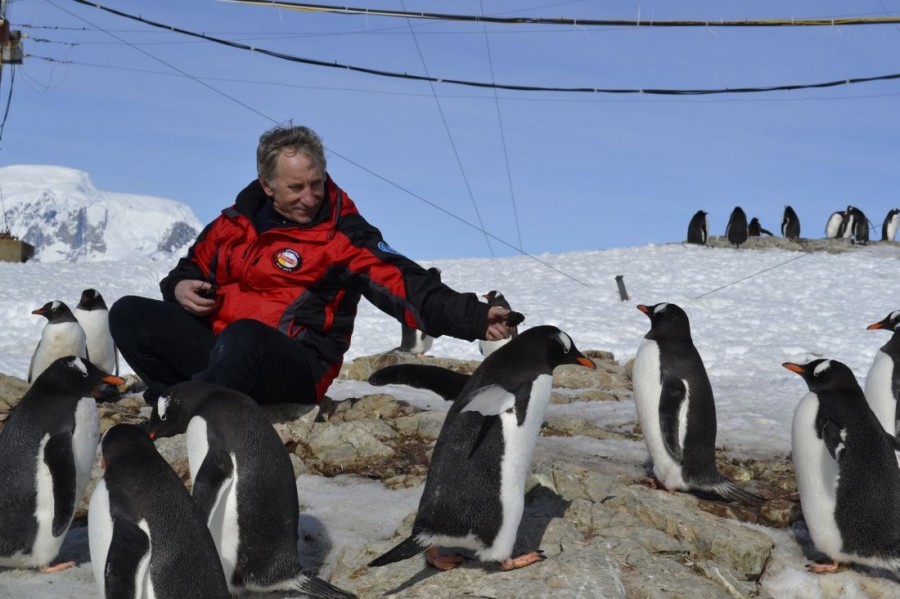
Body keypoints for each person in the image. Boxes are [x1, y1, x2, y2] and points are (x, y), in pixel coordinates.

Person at [110, 124, 512, 405]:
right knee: (129, 314)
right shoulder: (232, 223)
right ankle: (182, 397)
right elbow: (187, 271)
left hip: (294, 365)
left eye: (316, 183)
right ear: (268, 187)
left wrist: (475, 317)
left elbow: (403, 282)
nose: (310, 197)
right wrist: (180, 287)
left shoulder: (341, 235)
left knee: (245, 337)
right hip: (224, 354)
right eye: (296, 187)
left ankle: (195, 406)